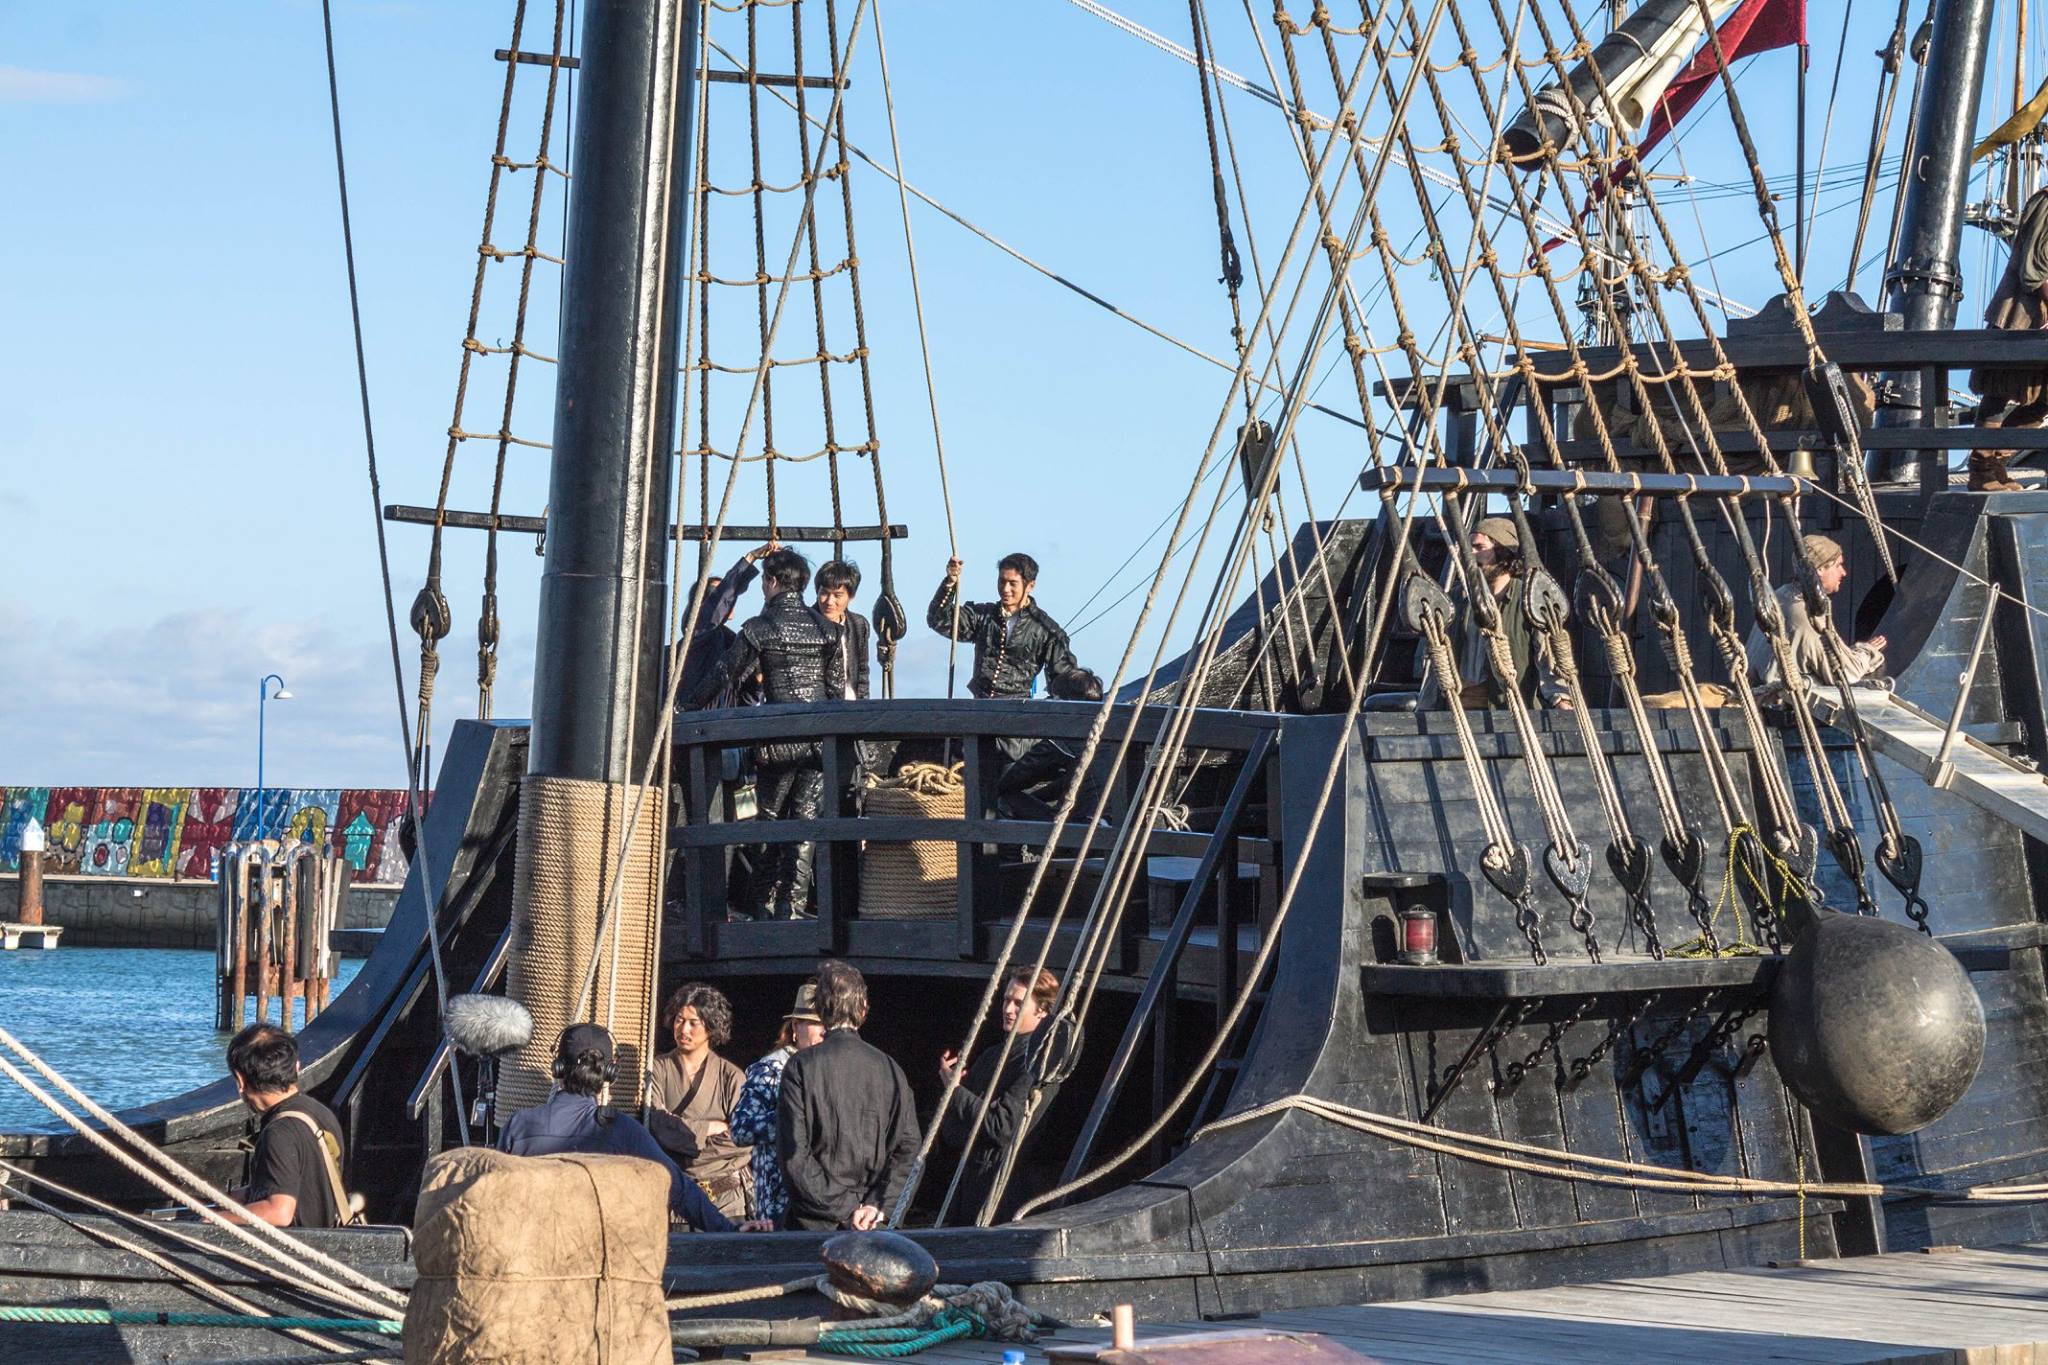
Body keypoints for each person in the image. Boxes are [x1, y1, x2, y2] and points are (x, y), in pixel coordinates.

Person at [687, 547, 846, 918]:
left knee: (770, 820)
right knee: (806, 820)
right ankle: (793, 903)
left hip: (778, 740)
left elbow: (725, 672)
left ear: (771, 582)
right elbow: (836, 690)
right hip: (819, 741)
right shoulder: (828, 630)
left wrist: (686, 708)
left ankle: (762, 904)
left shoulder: (760, 628)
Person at [498, 1023, 756, 1233]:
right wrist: (728, 1229)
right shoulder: (621, 1130)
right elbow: (676, 1186)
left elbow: (496, 1197)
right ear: (609, 1073)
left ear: (558, 1067)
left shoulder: (518, 1124)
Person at [777, 961, 920, 1230]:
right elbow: (910, 1148)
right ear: (863, 1009)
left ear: (820, 1009)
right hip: (873, 1225)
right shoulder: (890, 1069)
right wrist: (877, 1205)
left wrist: (845, 1210)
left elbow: (794, 1157)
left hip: (817, 1226)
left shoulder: (800, 1067)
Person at [936, 966, 1068, 1222]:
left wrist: (955, 1091)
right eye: (1007, 999)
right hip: (970, 1184)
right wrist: (957, 1096)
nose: (1008, 1009)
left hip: (1004, 1192)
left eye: (1019, 1003)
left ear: (1041, 1010)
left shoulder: (1036, 1063)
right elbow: (951, 1130)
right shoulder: (991, 1056)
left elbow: (1001, 1126)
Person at [223, 1024, 353, 1229]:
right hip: (324, 1237)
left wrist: (214, 1219)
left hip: (294, 1247)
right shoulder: (319, 1113)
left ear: (240, 1080)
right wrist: (244, 1194)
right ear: (296, 1067)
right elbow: (305, 1185)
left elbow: (280, 1212)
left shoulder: (279, 1133)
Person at [645, 983, 751, 1221]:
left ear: (711, 1028)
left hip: (728, 1199)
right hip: (676, 1198)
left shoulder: (731, 1076)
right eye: (679, 1020)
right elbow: (657, 1125)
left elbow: (742, 1140)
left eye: (694, 1022)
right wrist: (709, 1128)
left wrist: (680, 1148)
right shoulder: (657, 1070)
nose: (684, 1029)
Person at [1969, 184, 2048, 492]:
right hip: (2023, 312)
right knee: (1999, 390)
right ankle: (1981, 468)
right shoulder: (2045, 202)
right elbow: (2033, 268)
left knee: (2044, 398)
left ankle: (1997, 461)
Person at [728, 983, 828, 1228]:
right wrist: (794, 1119)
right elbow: (741, 1129)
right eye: (816, 1023)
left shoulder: (833, 1069)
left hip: (824, 1200)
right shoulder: (771, 1069)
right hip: (780, 1204)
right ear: (795, 1026)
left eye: (828, 1024)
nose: (824, 1031)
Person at [928, 552, 1079, 711]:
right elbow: (938, 620)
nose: (1005, 589)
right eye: (1002, 581)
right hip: (978, 717)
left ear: (1030, 586)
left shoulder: (1048, 631)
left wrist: (1041, 717)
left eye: (1012, 583)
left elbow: (1065, 685)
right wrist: (950, 583)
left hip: (1016, 723)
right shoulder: (983, 616)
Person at [1447, 516, 1568, 711]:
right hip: (1459, 710)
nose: (1470, 554)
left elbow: (1548, 656)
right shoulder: (1458, 599)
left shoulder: (1529, 600)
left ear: (1503, 551)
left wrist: (1561, 700)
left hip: (1509, 711)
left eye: (1478, 547)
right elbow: (1438, 661)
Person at [1746, 533, 1888, 689]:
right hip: (1781, 702)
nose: (1843, 572)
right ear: (1820, 569)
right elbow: (1846, 673)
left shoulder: (1782, 594)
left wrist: (1846, 653)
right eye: (1838, 565)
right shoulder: (1805, 614)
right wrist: (1867, 651)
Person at [996, 667, 1111, 821]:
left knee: (1002, 801)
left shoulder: (1066, 738)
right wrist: (1038, 797)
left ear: (1065, 702)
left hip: (1083, 824)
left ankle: (1015, 845)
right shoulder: (1109, 733)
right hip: (1119, 823)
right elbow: (1074, 781)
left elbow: (1016, 777)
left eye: (1054, 698)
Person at [677, 542, 781, 707]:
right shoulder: (696, 640)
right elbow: (717, 607)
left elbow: (763, 630)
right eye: (714, 596)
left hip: (724, 725)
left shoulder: (734, 645)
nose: (726, 601)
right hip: (696, 722)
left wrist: (758, 681)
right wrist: (750, 559)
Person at [814, 560, 872, 701]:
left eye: (837, 595)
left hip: (851, 709)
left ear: (850, 596)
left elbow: (862, 672)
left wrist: (864, 707)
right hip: (817, 709)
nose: (829, 601)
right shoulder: (806, 624)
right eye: (824, 593)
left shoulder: (859, 625)